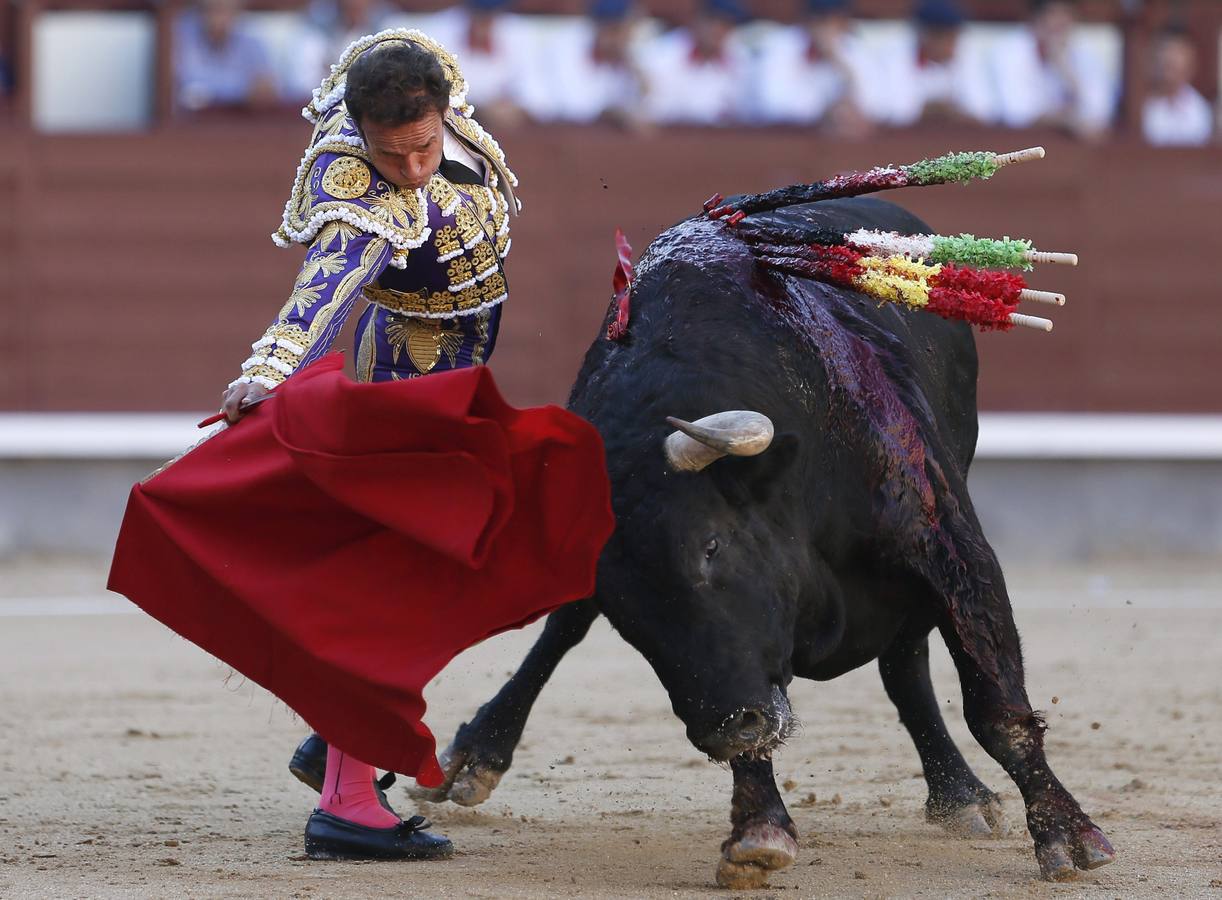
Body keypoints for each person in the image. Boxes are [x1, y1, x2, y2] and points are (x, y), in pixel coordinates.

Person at [222, 29, 520, 859]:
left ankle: (338, 745)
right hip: (407, 373)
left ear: (444, 108)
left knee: (429, 572)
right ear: (363, 138)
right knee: (399, 579)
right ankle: (348, 798)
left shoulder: (415, 63)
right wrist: (269, 371)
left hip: (457, 369)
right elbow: (321, 290)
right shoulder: (355, 190)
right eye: (395, 158)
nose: (416, 171)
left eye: (426, 147)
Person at [989, 0, 1116, 139]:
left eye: (1066, 14)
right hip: (1019, 145)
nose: (1060, 22)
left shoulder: (1085, 54)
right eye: (1053, 13)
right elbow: (1016, 114)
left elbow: (1099, 114)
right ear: (1036, 18)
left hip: (1071, 150)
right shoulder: (1009, 52)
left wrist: (1065, 69)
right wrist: (1067, 121)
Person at [752, 0, 880, 136]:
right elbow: (773, 105)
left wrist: (838, 62)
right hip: (788, 138)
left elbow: (875, 106)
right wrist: (827, 113)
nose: (826, 26)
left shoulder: (855, 50)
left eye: (834, 19)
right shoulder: (780, 46)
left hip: (846, 139)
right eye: (819, 19)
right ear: (805, 20)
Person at [520, 0, 650, 129]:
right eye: (615, 28)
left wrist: (633, 69)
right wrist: (610, 113)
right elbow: (571, 107)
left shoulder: (631, 55)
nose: (625, 36)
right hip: (559, 135)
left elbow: (650, 109)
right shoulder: (565, 46)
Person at [882, 0, 994, 128]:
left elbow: (984, 111)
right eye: (947, 37)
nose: (953, 45)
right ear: (926, 36)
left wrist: (951, 112)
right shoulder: (897, 57)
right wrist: (931, 110)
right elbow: (893, 112)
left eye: (955, 37)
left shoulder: (966, 55)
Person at [639, 0, 753, 126]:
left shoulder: (740, 57)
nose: (719, 30)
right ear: (696, 18)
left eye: (728, 24)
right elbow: (654, 113)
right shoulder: (661, 55)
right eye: (713, 21)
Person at [175, 0, 278, 112]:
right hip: (192, 122)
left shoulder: (253, 44)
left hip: (239, 122)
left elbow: (266, 90)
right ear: (200, 12)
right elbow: (179, 90)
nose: (219, 18)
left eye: (225, 10)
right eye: (213, 9)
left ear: (237, 12)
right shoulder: (181, 39)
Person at [1142, 25, 1214, 147]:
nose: (1170, 59)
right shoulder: (1144, 106)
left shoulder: (1200, 110)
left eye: (1177, 52)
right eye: (1165, 50)